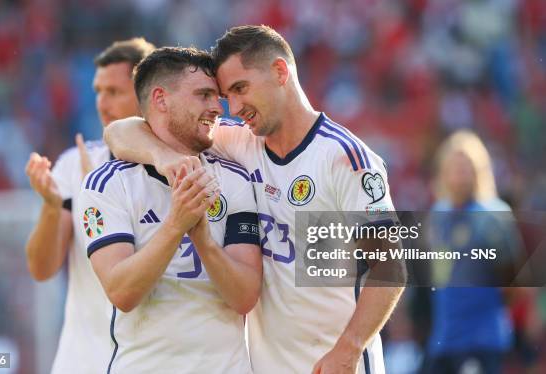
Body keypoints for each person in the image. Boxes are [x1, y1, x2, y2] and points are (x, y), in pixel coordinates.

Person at [104, 25, 405, 374]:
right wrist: (163, 157)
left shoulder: (345, 158)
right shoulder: (242, 145)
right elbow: (119, 132)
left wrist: (348, 349)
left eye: (240, 89)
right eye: (227, 95)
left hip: (334, 363)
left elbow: (391, 266)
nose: (233, 107)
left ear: (280, 72)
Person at [77, 47, 262, 373]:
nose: (216, 107)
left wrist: (202, 239)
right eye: (203, 95)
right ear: (161, 99)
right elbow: (121, 292)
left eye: (216, 97)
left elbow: (245, 297)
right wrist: (175, 225)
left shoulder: (234, 178)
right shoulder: (106, 185)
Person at [24, 37, 155, 374]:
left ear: (149, 96)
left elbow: (311, 269)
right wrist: (53, 207)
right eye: (98, 91)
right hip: (83, 362)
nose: (101, 103)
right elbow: (42, 269)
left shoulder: (189, 169)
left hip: (154, 360)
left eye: (113, 92)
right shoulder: (73, 165)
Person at [425, 130, 523, 374]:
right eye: (455, 166)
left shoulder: (492, 216)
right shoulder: (438, 216)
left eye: (466, 166)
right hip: (444, 338)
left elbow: (514, 283)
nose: (460, 173)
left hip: (480, 339)